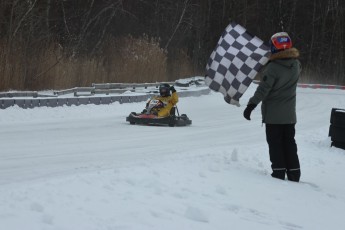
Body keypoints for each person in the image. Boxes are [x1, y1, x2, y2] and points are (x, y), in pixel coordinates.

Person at [243, 32, 301, 182]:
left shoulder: (273, 68)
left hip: (274, 117)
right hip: (289, 116)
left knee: (275, 144)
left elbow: (263, 89)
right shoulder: (296, 65)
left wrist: (251, 105)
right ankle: (294, 173)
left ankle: (279, 172)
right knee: (289, 143)